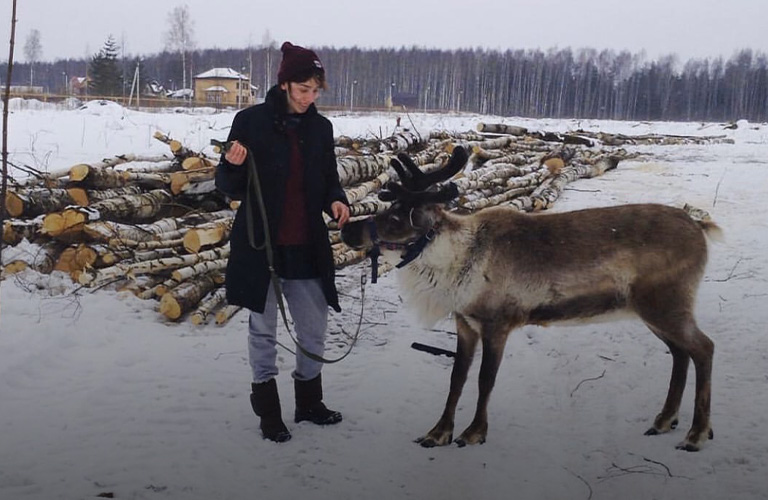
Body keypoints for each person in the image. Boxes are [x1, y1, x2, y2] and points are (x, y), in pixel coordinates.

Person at [215, 41, 350, 443]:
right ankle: (269, 412)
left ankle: (309, 403)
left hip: (307, 246)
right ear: (285, 84)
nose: (310, 98)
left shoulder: (321, 129)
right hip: (262, 246)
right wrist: (231, 165)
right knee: (264, 331)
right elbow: (228, 187)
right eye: (304, 89)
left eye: (316, 91)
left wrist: (336, 201)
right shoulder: (250, 122)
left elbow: (328, 178)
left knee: (313, 329)